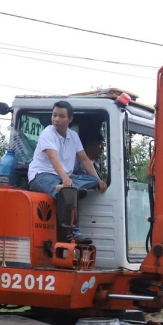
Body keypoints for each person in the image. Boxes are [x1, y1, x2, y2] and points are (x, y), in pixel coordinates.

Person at [27, 101, 105, 243]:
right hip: (42, 175)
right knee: (65, 193)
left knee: (92, 180)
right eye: (54, 115)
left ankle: (68, 189)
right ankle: (74, 233)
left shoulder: (73, 136)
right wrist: (64, 178)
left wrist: (98, 180)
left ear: (70, 119)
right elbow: (52, 157)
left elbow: (84, 159)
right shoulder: (47, 133)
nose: (56, 119)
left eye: (61, 116)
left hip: (64, 177)